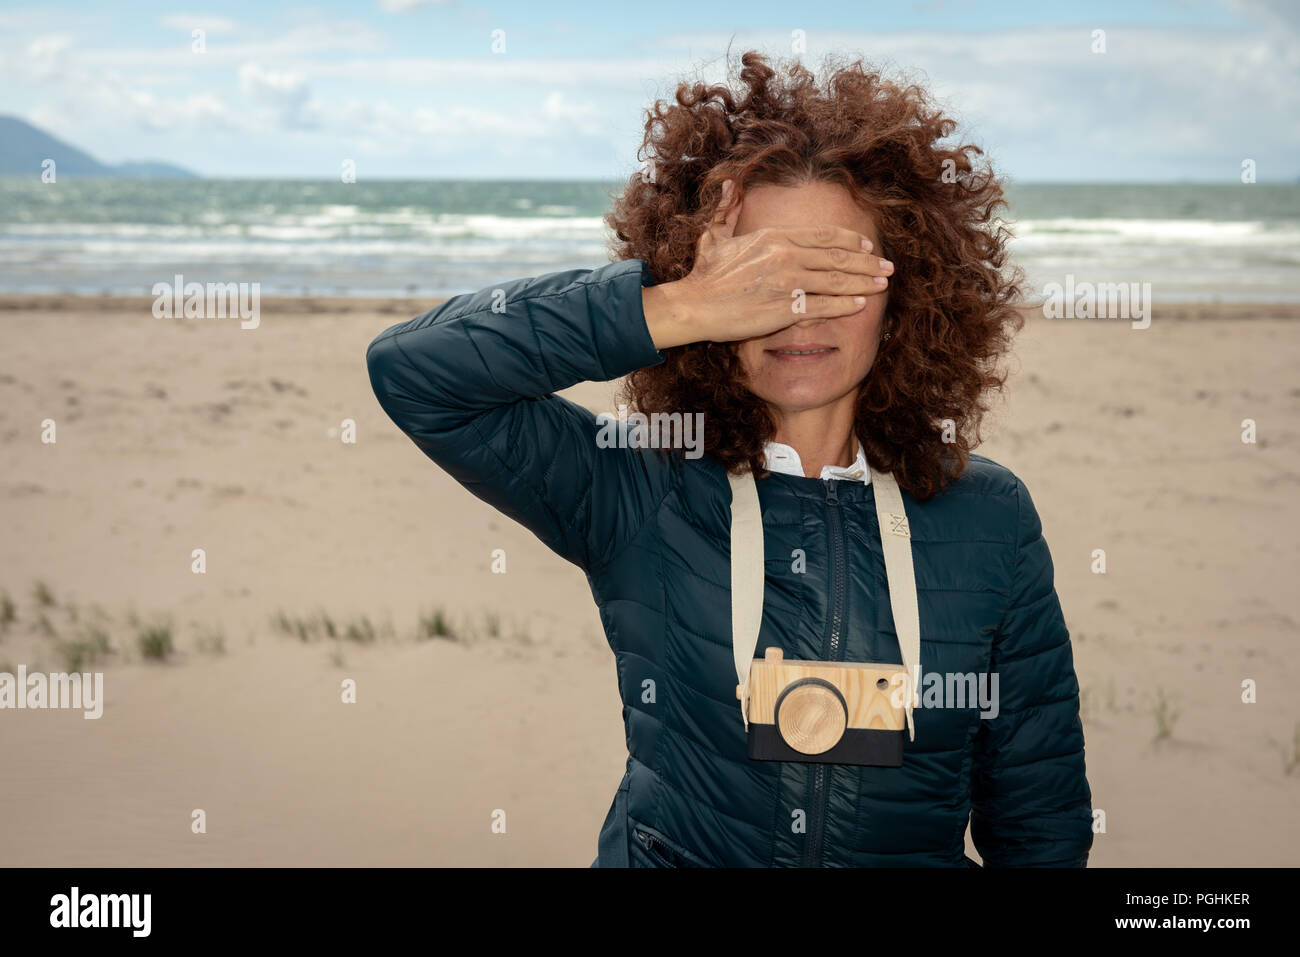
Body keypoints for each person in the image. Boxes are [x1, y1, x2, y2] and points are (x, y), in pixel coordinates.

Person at [366, 51, 1093, 867]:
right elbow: (416, 373)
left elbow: (1040, 820)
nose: (796, 309)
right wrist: (674, 305)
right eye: (762, 274)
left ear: (909, 290)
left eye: (834, 269)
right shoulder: (640, 486)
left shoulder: (990, 518)